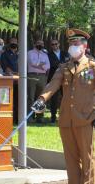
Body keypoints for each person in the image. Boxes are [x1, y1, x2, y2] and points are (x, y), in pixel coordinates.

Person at [32, 28, 94, 184]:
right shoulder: (64, 67)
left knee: (87, 158)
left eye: (76, 42)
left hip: (85, 118)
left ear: (84, 46)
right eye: (71, 43)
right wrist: (41, 99)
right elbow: (53, 84)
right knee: (70, 158)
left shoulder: (92, 66)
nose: (73, 45)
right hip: (66, 119)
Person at [27, 39, 50, 123]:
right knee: (31, 97)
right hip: (32, 76)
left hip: (42, 77)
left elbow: (48, 66)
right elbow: (32, 63)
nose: (40, 45)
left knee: (41, 97)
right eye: (38, 43)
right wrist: (41, 65)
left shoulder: (45, 54)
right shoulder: (29, 53)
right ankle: (30, 117)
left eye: (42, 44)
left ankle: (40, 117)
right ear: (34, 44)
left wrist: (40, 65)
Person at [47, 39, 69, 123]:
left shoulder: (65, 53)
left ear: (59, 44)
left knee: (65, 97)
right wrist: (61, 64)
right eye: (52, 44)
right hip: (54, 79)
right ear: (51, 45)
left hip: (65, 79)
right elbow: (51, 64)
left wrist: (62, 65)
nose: (54, 45)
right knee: (54, 99)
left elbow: (69, 62)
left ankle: (65, 116)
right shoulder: (48, 55)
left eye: (56, 44)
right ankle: (53, 117)